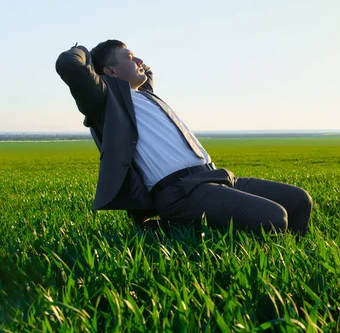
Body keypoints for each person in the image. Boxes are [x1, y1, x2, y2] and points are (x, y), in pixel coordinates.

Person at [55, 40, 312, 235]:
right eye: (130, 57)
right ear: (109, 72)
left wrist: (131, 63)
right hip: (180, 192)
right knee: (274, 218)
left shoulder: (145, 93)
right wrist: (88, 52)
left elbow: (146, 71)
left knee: (299, 200)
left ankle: (297, 257)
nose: (140, 60)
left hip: (216, 176)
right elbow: (69, 64)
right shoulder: (106, 102)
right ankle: (172, 228)